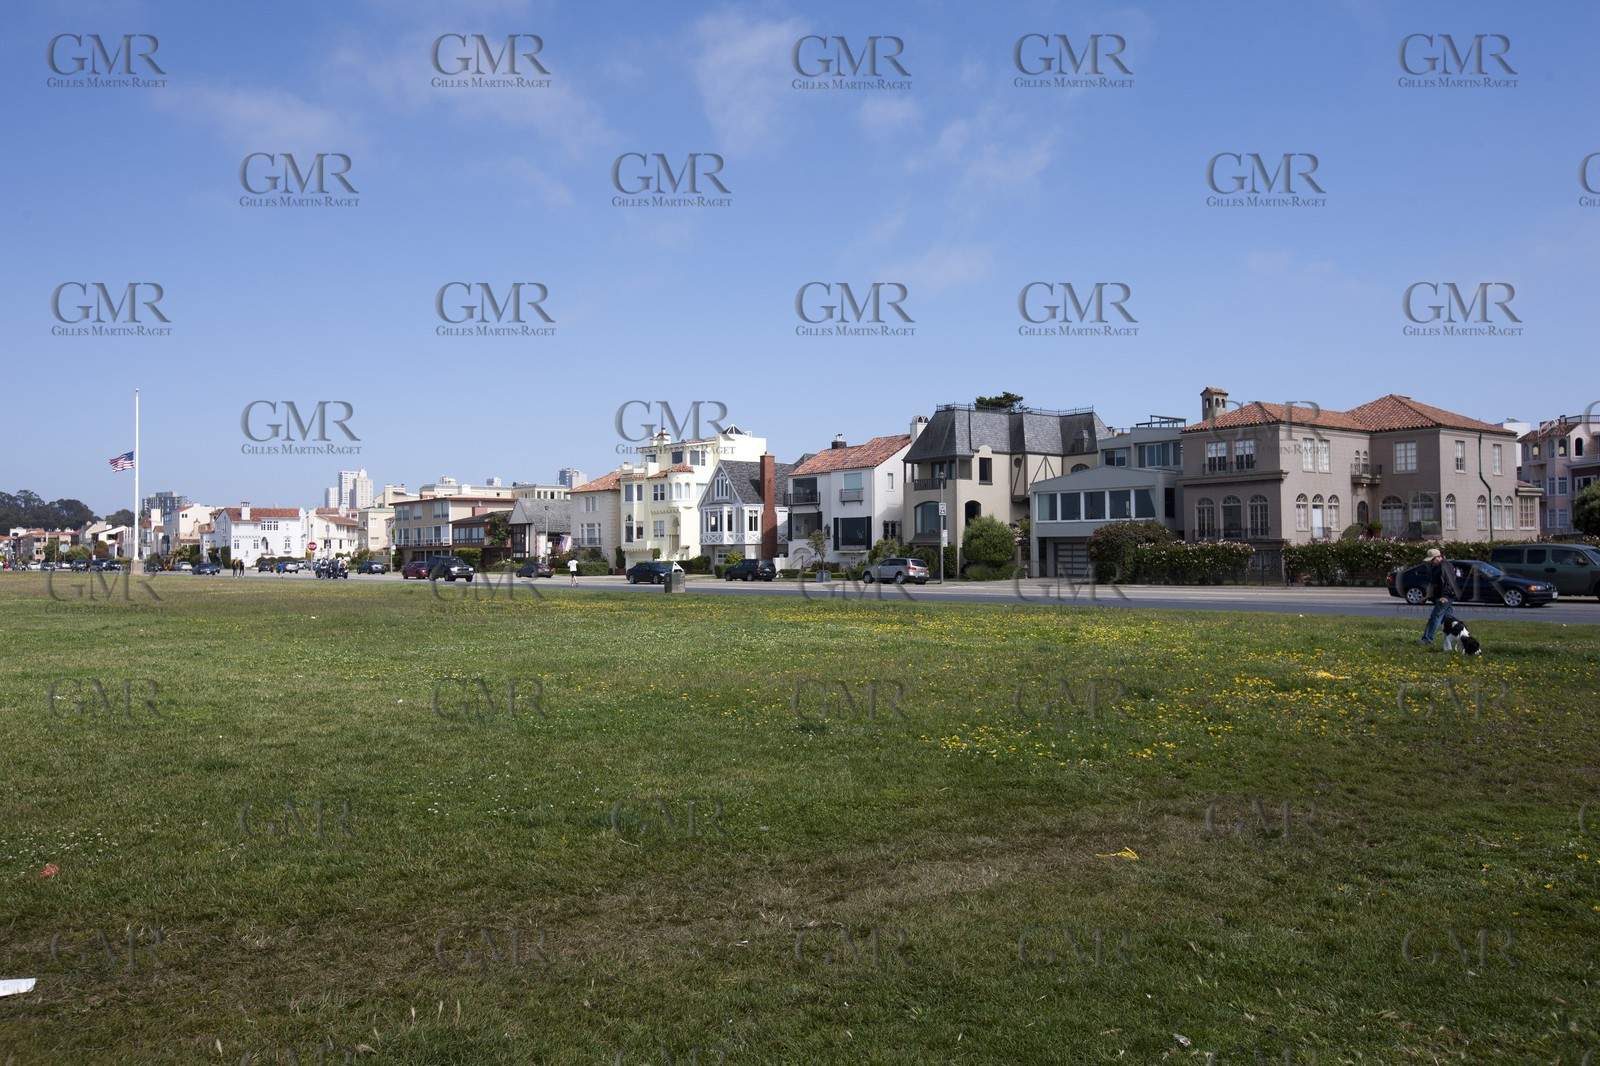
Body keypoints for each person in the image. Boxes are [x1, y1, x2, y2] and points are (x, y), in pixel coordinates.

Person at [1417, 546, 1460, 648]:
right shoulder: (1435, 567)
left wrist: (1445, 596)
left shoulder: (1445, 566)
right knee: (1448, 619)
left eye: (1431, 560)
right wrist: (1426, 597)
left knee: (1435, 616)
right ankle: (1461, 633)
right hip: (1439, 596)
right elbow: (1433, 584)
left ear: (1438, 557)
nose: (1430, 562)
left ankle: (1426, 640)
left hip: (1445, 596)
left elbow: (1449, 582)